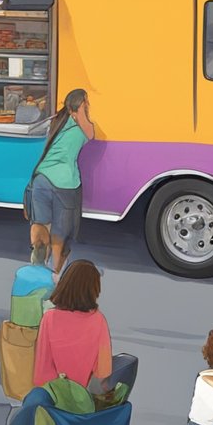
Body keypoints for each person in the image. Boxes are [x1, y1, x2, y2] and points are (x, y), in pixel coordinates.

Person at [33, 260, 136, 395]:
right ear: (93, 289)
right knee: (127, 361)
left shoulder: (49, 318)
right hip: (85, 396)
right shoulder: (98, 320)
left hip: (56, 394)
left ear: (65, 284)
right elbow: (103, 370)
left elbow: (42, 371)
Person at [24, 89, 94, 273]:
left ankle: (38, 257)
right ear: (80, 105)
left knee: (41, 224)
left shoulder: (56, 122)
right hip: (65, 183)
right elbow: (91, 133)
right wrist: (81, 110)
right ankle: (55, 274)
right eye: (86, 102)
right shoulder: (81, 128)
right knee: (60, 234)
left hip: (40, 180)